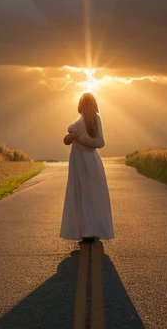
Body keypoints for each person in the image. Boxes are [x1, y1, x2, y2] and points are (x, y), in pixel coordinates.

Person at [59, 92, 115, 242]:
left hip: (88, 161)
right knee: (86, 194)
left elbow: (99, 143)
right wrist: (72, 136)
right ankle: (88, 230)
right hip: (81, 163)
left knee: (88, 195)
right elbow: (66, 140)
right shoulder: (79, 122)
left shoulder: (95, 119)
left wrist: (79, 138)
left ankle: (90, 231)